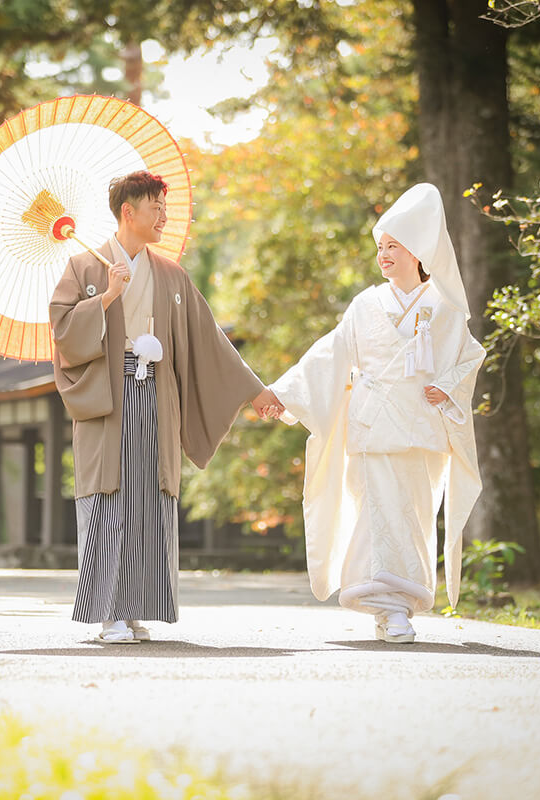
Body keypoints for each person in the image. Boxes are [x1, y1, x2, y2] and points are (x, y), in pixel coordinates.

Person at [49, 170, 281, 644]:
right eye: (156, 207)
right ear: (128, 211)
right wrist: (108, 297)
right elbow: (64, 335)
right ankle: (107, 612)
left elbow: (208, 340)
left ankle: (136, 606)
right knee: (110, 498)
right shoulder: (83, 268)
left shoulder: (171, 273)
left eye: (165, 207)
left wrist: (255, 390)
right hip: (108, 399)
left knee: (149, 497)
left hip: (156, 394)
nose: (164, 217)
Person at [267, 183, 485, 644]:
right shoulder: (365, 304)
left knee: (412, 517)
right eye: (380, 247)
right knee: (373, 515)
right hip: (369, 427)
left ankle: (397, 605)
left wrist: (445, 388)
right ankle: (389, 608)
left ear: (418, 252)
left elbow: (470, 358)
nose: (383, 255)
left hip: (421, 430)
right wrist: (284, 393)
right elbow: (330, 354)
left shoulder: (444, 306)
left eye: (393, 246)